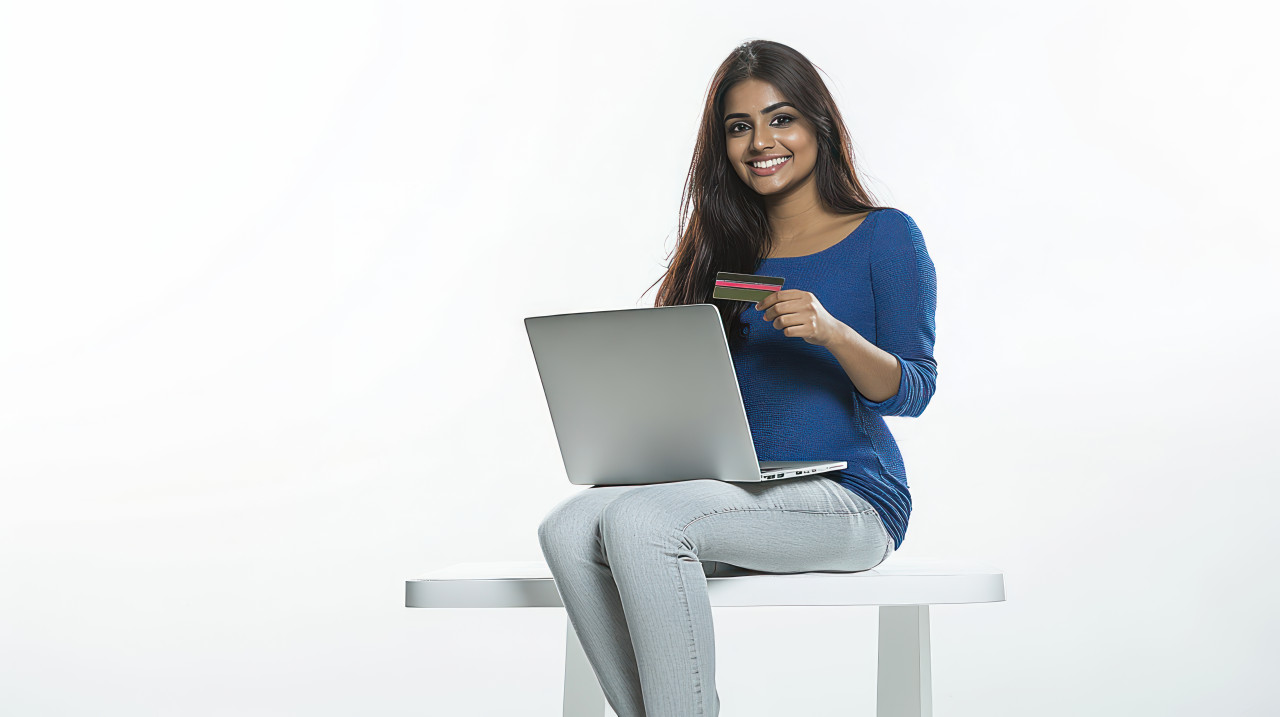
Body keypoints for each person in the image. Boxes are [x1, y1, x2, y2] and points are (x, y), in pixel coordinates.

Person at [537, 39, 937, 717]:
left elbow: (915, 389)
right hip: (739, 490)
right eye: (739, 126)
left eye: (781, 119)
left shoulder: (884, 236)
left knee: (640, 524)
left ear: (818, 125)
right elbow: (686, 389)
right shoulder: (721, 252)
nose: (761, 141)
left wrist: (833, 332)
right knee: (569, 527)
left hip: (850, 498)